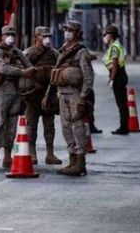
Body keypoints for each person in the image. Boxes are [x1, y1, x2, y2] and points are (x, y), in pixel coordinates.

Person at [0, 25, 35, 169]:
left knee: (12, 127)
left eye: (13, 34)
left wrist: (31, 73)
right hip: (0, 94)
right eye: (8, 34)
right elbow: (2, 68)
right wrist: (23, 73)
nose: (11, 37)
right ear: (1, 36)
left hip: (16, 93)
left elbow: (30, 67)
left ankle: (7, 157)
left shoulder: (18, 53)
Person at [50, 20, 94, 177]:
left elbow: (88, 75)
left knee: (77, 126)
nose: (67, 32)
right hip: (62, 92)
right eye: (66, 29)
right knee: (66, 127)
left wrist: (83, 96)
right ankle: (72, 160)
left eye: (71, 30)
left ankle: (80, 162)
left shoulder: (81, 51)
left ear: (77, 33)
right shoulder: (63, 49)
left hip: (75, 93)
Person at [22, 26, 62, 165]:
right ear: (36, 37)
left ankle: (50, 154)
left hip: (49, 94)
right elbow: (23, 73)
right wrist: (32, 84)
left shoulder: (55, 54)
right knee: (31, 126)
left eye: (49, 36)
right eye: (43, 36)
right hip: (33, 95)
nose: (47, 39)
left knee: (49, 126)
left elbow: (59, 70)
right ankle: (32, 153)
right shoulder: (28, 53)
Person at [103, 25, 130, 135]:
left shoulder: (114, 47)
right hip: (121, 75)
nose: (105, 37)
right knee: (123, 103)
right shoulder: (116, 45)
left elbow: (115, 64)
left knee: (121, 104)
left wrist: (112, 79)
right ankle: (124, 126)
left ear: (110, 35)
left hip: (118, 76)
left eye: (106, 35)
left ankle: (123, 127)